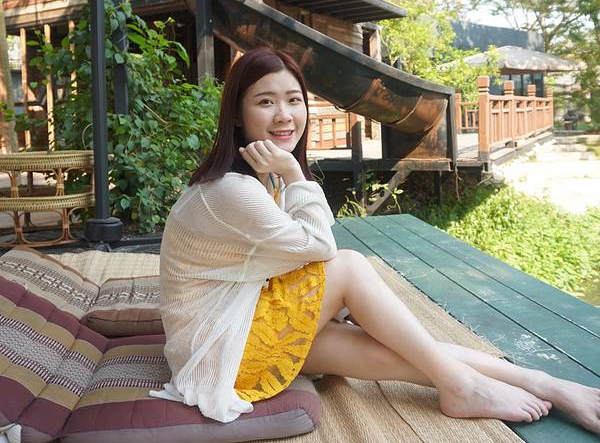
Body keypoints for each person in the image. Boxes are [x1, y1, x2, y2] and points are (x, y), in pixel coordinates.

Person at [151, 47, 600, 434]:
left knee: (403, 350)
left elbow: (296, 260)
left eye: (293, 100)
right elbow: (320, 248)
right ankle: (462, 386)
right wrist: (293, 173)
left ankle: (544, 384)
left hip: (231, 338)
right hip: (224, 349)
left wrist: (288, 178)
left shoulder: (256, 179)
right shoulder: (231, 190)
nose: (284, 115)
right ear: (237, 113)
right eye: (265, 102)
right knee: (349, 266)